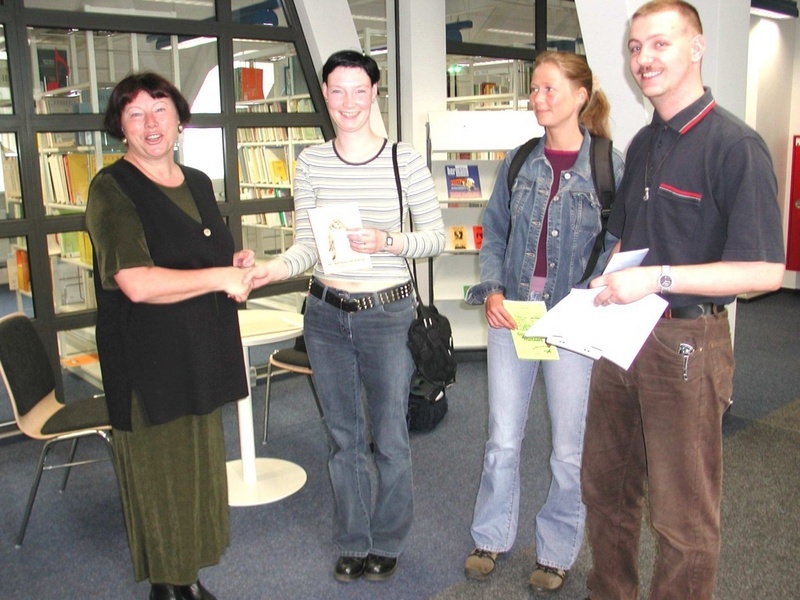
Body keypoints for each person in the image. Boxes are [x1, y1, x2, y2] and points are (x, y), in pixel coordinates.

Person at [582, 2, 785, 599]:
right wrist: (606, 279)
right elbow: (626, 238)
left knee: (683, 515)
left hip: (686, 343)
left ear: (696, 48)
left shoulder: (735, 146)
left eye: (660, 44)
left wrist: (658, 279)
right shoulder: (644, 142)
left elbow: (765, 270)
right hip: (621, 334)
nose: (643, 58)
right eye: (636, 46)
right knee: (607, 489)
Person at [244, 50, 445, 582]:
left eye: (360, 90)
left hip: (387, 313)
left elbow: (436, 237)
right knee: (342, 436)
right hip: (326, 314)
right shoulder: (311, 161)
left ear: (375, 93)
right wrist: (273, 268)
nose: (349, 102)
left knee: (388, 435)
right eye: (338, 90)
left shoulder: (404, 161)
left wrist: (388, 239)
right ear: (325, 94)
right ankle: (354, 539)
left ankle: (389, 539)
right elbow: (307, 245)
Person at [86, 72, 255, 600]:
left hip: (200, 352)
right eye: (134, 114)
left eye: (160, 109)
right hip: (149, 362)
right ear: (121, 128)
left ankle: (186, 574)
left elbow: (197, 253)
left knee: (198, 472)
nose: (150, 123)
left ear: (180, 118)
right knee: (161, 478)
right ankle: (169, 584)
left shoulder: (198, 181)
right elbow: (135, 282)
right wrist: (218, 277)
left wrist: (233, 262)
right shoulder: (110, 189)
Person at [462, 51, 624, 593]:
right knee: (502, 438)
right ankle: (490, 536)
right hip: (514, 317)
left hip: (572, 322)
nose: (538, 99)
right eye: (534, 90)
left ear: (581, 95)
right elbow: (495, 234)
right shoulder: (519, 161)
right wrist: (492, 291)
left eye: (549, 89)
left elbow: (622, 247)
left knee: (568, 448)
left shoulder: (608, 165)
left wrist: (592, 296)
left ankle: (555, 551)